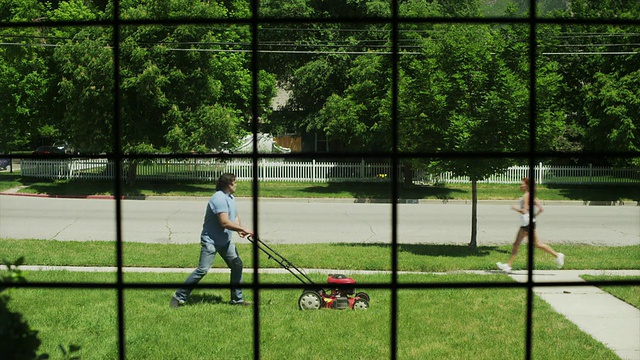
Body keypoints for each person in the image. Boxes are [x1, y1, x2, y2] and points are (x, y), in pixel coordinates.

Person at [170, 173, 253, 307]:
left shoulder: (230, 197)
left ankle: (237, 300)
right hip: (211, 241)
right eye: (235, 182)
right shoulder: (219, 198)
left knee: (237, 265)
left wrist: (241, 228)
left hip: (225, 241)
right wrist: (243, 229)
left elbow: (234, 215)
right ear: (228, 184)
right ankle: (178, 297)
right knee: (202, 269)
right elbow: (225, 222)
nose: (237, 184)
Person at [496, 177, 564, 272]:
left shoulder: (526, 196)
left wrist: (514, 208)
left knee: (533, 244)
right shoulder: (531, 195)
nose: (520, 185)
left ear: (527, 185)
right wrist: (533, 217)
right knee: (524, 244)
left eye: (522, 184)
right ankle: (508, 265)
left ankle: (558, 255)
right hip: (528, 222)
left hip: (527, 224)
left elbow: (524, 211)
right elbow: (541, 208)